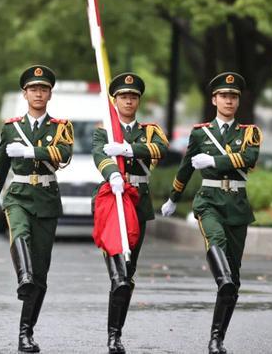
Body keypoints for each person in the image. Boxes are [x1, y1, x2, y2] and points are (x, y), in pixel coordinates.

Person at [160, 72, 262, 354]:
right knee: (215, 242)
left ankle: (217, 338)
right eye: (224, 96)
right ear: (214, 99)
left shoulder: (248, 133)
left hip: (237, 204)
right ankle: (223, 279)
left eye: (234, 96)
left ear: (238, 101)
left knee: (235, 280)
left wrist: (215, 159)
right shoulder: (200, 133)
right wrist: (173, 198)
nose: (229, 100)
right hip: (209, 201)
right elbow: (186, 168)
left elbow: (250, 158)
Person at [0, 65, 74, 353]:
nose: (38, 93)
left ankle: (26, 332)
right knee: (19, 232)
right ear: (25, 94)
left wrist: (32, 152)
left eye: (43, 89)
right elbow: (0, 164)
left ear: (49, 94)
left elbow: (65, 155)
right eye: (33, 89)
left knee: (42, 274)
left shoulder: (60, 127)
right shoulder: (11, 128)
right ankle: (23, 276)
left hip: (46, 197)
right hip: (19, 194)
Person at [92, 73, 169, 354]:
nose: (128, 100)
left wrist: (127, 148)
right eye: (123, 96)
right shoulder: (105, 130)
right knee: (119, 275)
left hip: (137, 203)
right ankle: (113, 337)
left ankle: (116, 333)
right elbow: (99, 155)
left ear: (138, 101)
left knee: (129, 271)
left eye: (133, 96)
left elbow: (160, 148)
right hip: (113, 200)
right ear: (115, 100)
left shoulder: (149, 131)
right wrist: (113, 173)